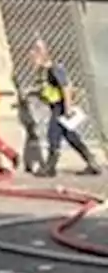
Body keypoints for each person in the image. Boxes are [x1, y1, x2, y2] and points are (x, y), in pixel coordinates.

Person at [29, 40, 98, 176]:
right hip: (56, 105)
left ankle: (50, 168)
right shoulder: (44, 72)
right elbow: (48, 90)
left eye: (36, 52)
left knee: (53, 134)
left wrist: (68, 108)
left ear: (44, 54)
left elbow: (65, 87)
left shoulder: (54, 69)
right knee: (70, 136)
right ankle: (92, 162)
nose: (32, 56)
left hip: (60, 107)